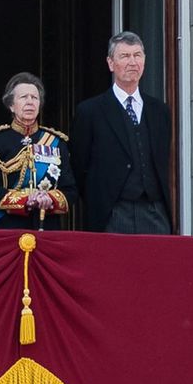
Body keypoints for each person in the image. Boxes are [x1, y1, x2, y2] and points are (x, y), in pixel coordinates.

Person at [71, 31, 172, 234]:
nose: (132, 62)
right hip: (112, 212)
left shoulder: (159, 110)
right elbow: (78, 165)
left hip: (154, 212)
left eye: (137, 55)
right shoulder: (91, 111)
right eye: (125, 56)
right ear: (110, 63)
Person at [0, 73, 78, 231]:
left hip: (47, 227)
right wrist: (25, 200)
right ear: (11, 105)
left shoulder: (57, 142)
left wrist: (49, 199)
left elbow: (70, 190)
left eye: (35, 98)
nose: (30, 102)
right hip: (7, 227)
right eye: (24, 97)